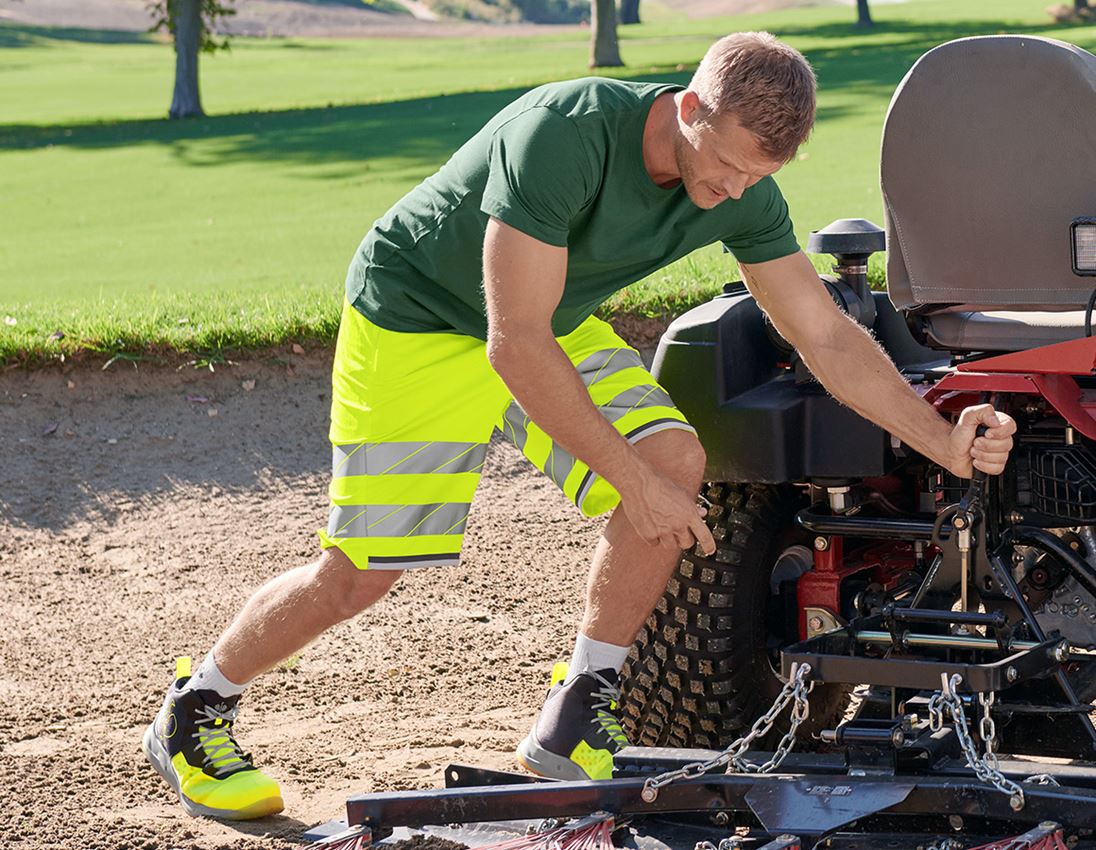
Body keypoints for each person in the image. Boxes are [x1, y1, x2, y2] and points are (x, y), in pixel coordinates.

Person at [142, 31, 1017, 820]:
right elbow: (514, 344)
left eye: (756, 177)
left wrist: (938, 438)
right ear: (688, 108)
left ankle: (576, 711)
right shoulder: (563, 135)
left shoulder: (743, 189)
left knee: (673, 457)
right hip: (420, 318)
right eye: (726, 165)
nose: (733, 192)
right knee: (363, 573)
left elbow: (822, 333)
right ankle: (197, 705)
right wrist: (631, 484)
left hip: (545, 316)